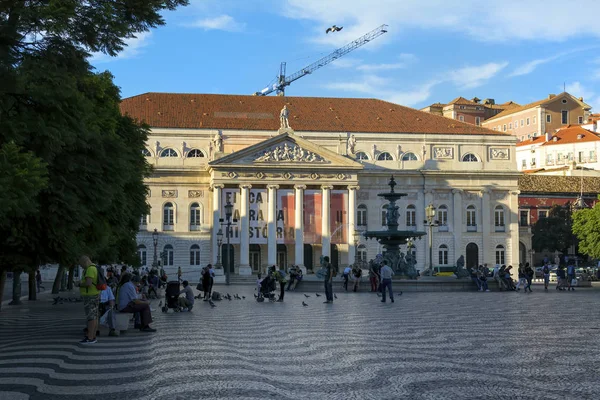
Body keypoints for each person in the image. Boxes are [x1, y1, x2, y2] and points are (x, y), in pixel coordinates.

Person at [78, 256, 101, 344]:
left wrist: (79, 284)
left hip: (90, 296)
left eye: (81, 264)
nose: (81, 266)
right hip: (95, 294)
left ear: (85, 262)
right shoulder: (95, 267)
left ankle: (90, 337)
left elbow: (88, 283)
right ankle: (93, 335)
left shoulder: (90, 269)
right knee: (95, 316)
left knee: (91, 317)